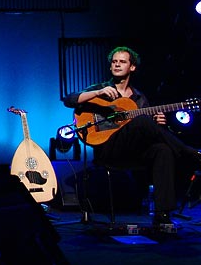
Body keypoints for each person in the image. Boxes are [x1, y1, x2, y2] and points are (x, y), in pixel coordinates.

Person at [62, 46, 200, 226]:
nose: (117, 65)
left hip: (132, 152)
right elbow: (69, 100)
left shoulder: (139, 98)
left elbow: (145, 130)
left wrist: (157, 123)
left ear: (132, 67)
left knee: (162, 149)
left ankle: (162, 215)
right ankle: (191, 154)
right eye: (114, 61)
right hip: (107, 149)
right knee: (142, 121)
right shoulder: (101, 89)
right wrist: (97, 93)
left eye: (122, 61)